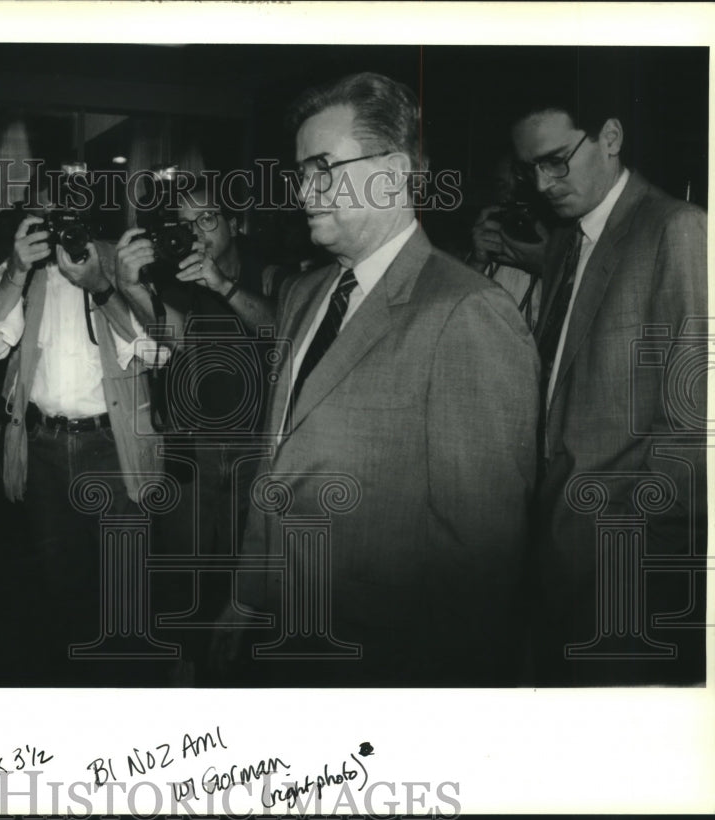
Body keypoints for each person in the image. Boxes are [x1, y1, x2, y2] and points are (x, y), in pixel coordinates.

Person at [217, 72, 541, 686]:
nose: (304, 191)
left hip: (379, 659)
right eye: (299, 173)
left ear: (392, 173)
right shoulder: (304, 293)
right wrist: (246, 594)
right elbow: (277, 461)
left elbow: (480, 563)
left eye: (322, 167)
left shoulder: (467, 313)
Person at [510, 84, 707, 685]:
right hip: (555, 553)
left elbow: (697, 423)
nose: (543, 184)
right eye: (530, 170)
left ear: (612, 138)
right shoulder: (567, 239)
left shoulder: (679, 229)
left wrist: (643, 554)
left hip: (626, 566)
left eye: (556, 160)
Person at [0, 212, 166, 685]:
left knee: (124, 585)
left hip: (112, 450)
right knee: (61, 583)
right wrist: (15, 269)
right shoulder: (22, 271)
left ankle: (130, 686)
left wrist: (101, 284)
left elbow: (158, 350)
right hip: (45, 449)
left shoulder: (116, 267)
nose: (63, 239)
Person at [114, 182, 275, 683]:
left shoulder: (270, 269)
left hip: (254, 445)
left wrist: (222, 285)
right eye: (185, 223)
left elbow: (280, 332)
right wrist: (131, 287)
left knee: (245, 564)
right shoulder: (177, 272)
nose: (196, 232)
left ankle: (237, 670)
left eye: (207, 219)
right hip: (193, 442)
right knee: (184, 563)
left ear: (234, 222)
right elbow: (175, 336)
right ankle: (183, 662)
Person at [468, 154, 550, 329]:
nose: (510, 197)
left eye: (521, 188)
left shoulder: (564, 245)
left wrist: (546, 267)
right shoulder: (490, 241)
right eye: (502, 186)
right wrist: (476, 263)